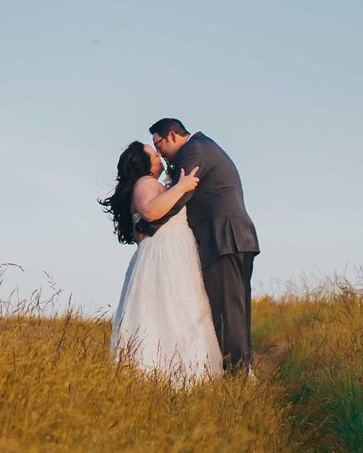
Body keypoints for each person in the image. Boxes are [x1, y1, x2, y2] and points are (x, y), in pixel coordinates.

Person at [100, 140, 223, 384]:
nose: (158, 155)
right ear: (143, 162)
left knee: (178, 308)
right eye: (153, 152)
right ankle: (177, 375)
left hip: (172, 248)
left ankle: (181, 374)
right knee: (171, 309)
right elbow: (149, 211)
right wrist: (181, 187)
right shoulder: (145, 183)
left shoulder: (151, 183)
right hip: (165, 250)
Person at [148, 119, 258, 373]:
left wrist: (149, 225)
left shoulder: (193, 150)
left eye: (159, 144)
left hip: (222, 239)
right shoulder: (204, 146)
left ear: (173, 136)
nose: (160, 153)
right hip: (235, 237)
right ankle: (241, 375)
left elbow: (182, 193)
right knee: (237, 312)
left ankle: (236, 379)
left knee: (228, 313)